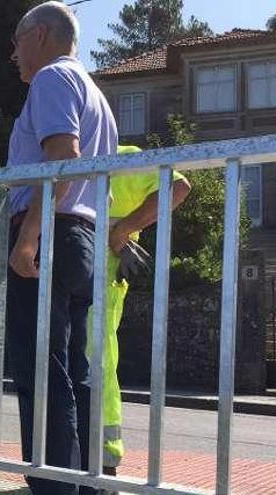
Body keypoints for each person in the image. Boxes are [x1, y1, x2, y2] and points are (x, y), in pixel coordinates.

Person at [5, 3, 118, 494]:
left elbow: (61, 158)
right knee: (74, 369)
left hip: (50, 231)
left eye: (17, 41)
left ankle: (54, 488)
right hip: (82, 237)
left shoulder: (53, 78)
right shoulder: (98, 96)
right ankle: (85, 484)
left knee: (40, 368)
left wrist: (29, 234)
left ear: (42, 35)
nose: (13, 54)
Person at [90, 145, 191, 484]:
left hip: (101, 276)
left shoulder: (123, 156)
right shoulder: (66, 156)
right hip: (67, 272)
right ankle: (75, 457)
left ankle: (103, 461)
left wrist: (121, 231)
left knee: (96, 359)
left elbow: (178, 187)